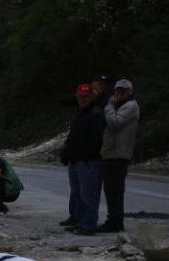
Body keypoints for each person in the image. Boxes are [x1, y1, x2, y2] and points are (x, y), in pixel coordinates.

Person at [60, 83, 105, 235]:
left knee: (89, 195)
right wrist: (67, 152)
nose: (83, 99)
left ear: (92, 96)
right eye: (80, 96)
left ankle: (89, 224)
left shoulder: (96, 113)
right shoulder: (80, 112)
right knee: (78, 194)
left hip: (88, 161)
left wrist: (86, 157)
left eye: (86, 96)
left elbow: (96, 140)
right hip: (76, 160)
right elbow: (74, 136)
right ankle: (80, 222)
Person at [99, 79, 140, 233]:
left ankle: (115, 222)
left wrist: (108, 106)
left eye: (124, 90)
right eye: (118, 90)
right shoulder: (120, 106)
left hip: (119, 155)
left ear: (130, 91)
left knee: (114, 190)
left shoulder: (130, 106)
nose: (120, 93)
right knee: (111, 190)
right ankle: (114, 220)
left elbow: (114, 122)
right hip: (111, 153)